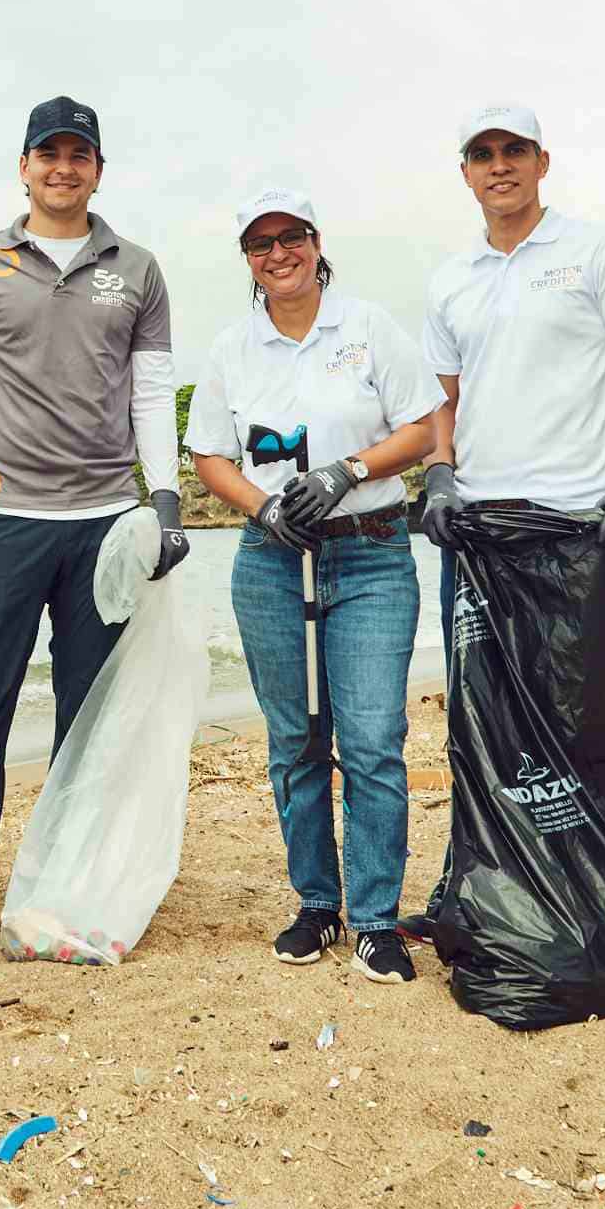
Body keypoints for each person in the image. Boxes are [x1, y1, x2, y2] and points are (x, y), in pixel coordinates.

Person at [0, 96, 187, 975]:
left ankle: (74, 891)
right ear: (23, 166)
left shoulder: (136, 268)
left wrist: (168, 498)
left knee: (89, 720)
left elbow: (150, 393)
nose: (63, 167)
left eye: (80, 154)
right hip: (3, 520)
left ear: (99, 169)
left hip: (104, 522)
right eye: (48, 153)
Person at [405, 105, 605, 933]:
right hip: (479, 537)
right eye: (482, 154)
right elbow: (440, 399)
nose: (499, 166)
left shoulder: (600, 249)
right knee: (481, 719)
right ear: (465, 173)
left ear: (542, 160)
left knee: (586, 716)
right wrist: (441, 476)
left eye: (513, 150)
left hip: (580, 528)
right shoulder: (450, 279)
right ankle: (480, 892)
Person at [186, 187, 439, 982]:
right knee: (295, 742)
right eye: (260, 244)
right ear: (247, 260)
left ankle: (374, 918)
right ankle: (316, 904)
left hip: (368, 552)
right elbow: (210, 456)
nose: (278, 254)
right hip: (270, 561)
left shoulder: (367, 328)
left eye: (289, 237)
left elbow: (423, 425)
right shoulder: (232, 348)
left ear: (315, 240)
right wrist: (262, 507)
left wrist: (347, 469)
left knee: (370, 740)